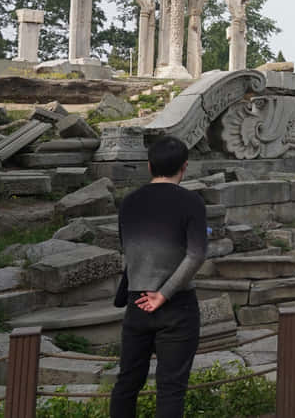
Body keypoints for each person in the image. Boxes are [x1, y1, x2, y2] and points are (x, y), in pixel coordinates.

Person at [110, 136, 208, 418]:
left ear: (149, 165)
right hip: (177, 305)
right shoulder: (192, 202)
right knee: (171, 388)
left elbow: (128, 249)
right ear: (184, 167)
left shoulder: (129, 202)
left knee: (127, 383)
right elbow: (196, 255)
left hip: (137, 301)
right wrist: (164, 294)